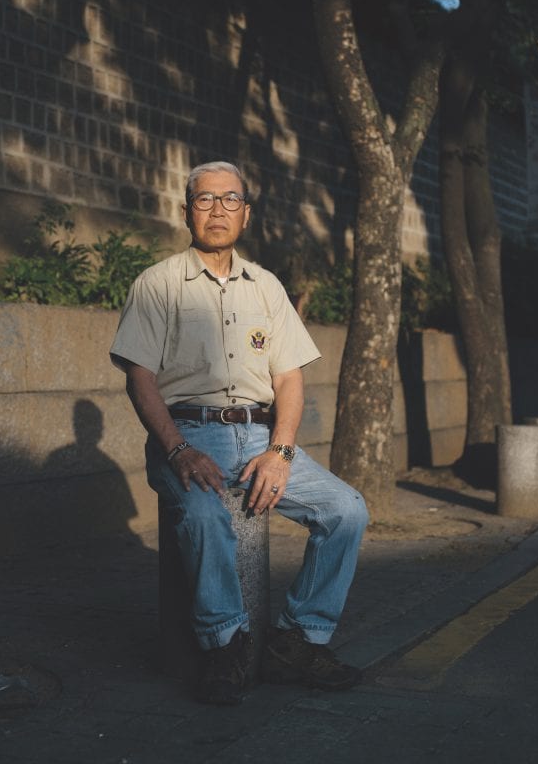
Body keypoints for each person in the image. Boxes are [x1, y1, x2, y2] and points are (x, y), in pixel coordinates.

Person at [110, 161, 368, 704]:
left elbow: (289, 377)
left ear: (246, 213)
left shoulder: (266, 287)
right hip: (186, 432)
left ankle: (297, 640)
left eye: (230, 200)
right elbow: (140, 378)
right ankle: (225, 643)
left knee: (346, 509)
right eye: (205, 200)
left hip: (259, 437)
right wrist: (177, 450)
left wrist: (281, 450)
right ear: (186, 212)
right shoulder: (157, 283)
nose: (217, 210)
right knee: (204, 514)